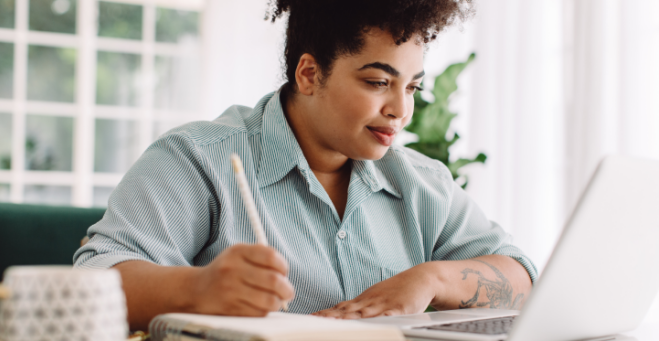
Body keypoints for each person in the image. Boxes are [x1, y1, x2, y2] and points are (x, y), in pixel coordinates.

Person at [74, 0, 538, 331]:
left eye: (412, 87)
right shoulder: (199, 158)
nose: (401, 109)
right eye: (379, 81)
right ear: (309, 74)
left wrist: (432, 278)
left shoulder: (421, 183)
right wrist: (197, 288)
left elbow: (522, 277)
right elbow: (91, 283)